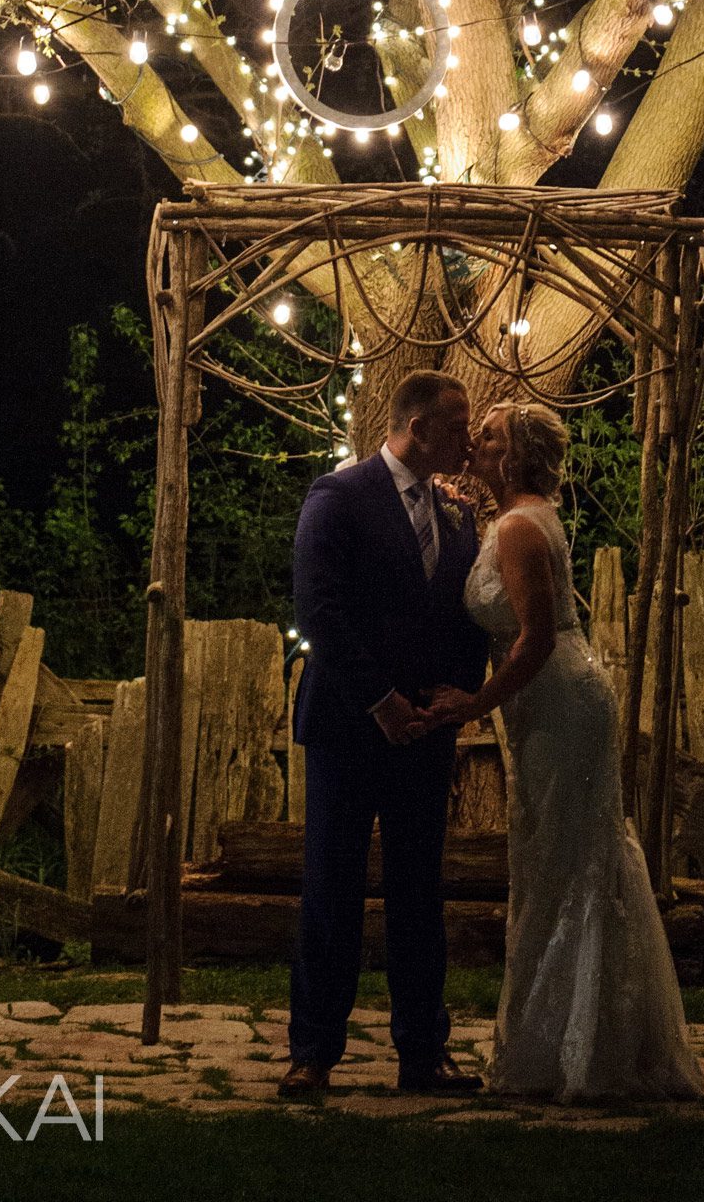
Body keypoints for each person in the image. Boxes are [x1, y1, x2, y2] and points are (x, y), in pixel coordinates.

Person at [421, 400, 704, 1103]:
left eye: (486, 437)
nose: (473, 442)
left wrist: (471, 706)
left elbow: (535, 639)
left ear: (512, 456)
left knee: (564, 863)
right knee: (566, 857)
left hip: (558, 704)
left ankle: (572, 1049)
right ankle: (585, 1037)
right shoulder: (517, 517)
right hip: (547, 704)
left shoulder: (520, 527)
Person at [280, 370, 490, 1099]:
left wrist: (452, 699)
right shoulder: (337, 496)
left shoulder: (457, 514)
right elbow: (319, 609)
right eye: (458, 425)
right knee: (331, 887)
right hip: (346, 726)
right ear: (417, 426)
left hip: (425, 733)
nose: (468, 438)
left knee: (416, 893)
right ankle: (312, 1052)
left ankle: (422, 1052)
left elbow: (460, 617)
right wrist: (381, 700)